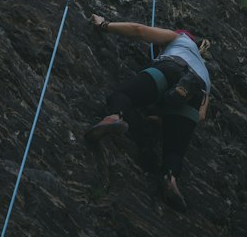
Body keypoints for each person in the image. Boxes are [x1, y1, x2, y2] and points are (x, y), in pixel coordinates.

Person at [84, 16, 212, 211]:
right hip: (195, 91)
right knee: (174, 151)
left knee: (123, 94)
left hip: (171, 68)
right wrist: (163, 118)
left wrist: (104, 25)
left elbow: (138, 30)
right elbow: (201, 116)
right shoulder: (206, 75)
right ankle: (170, 179)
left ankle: (114, 117)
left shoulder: (180, 39)